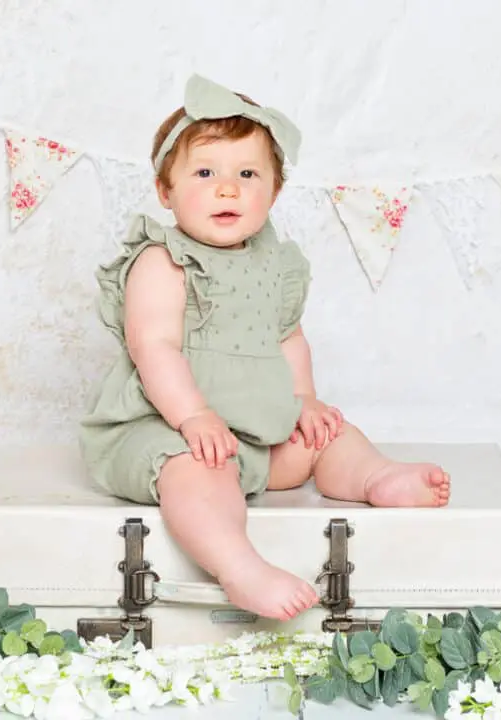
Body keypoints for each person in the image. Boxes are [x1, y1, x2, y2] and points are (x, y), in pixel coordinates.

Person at [80, 74, 451, 621]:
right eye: (205, 173)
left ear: (274, 191)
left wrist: (303, 399)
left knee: (328, 433)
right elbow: (153, 346)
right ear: (166, 190)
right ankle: (239, 567)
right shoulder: (162, 260)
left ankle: (376, 477)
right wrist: (194, 417)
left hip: (253, 437)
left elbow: (288, 337)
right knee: (193, 471)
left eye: (247, 174)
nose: (227, 188)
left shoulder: (277, 264)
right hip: (163, 427)